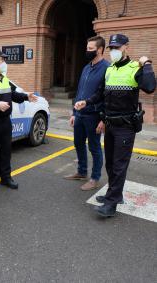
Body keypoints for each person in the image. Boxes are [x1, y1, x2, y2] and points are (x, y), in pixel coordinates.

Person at [75, 34, 156, 217]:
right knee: (111, 163)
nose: (113, 51)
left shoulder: (135, 67)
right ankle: (115, 194)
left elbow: (150, 87)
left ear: (126, 47)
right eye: (111, 48)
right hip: (110, 124)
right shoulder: (110, 69)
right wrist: (86, 102)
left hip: (125, 127)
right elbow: (100, 93)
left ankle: (111, 204)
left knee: (119, 165)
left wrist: (148, 64)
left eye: (117, 48)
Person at [0, 48, 37, 193]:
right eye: (2, 60)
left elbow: (12, 94)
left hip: (5, 122)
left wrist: (25, 96)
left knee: (6, 151)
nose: (4, 63)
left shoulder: (3, 78)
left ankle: (6, 178)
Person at [64, 36, 109, 191]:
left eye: (91, 49)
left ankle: (95, 178)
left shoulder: (107, 68)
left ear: (100, 49)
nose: (87, 51)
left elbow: (106, 96)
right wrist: (74, 113)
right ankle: (82, 172)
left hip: (94, 116)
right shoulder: (86, 68)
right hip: (80, 115)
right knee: (78, 143)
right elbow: (79, 92)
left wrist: (103, 119)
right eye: (87, 48)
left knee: (94, 147)